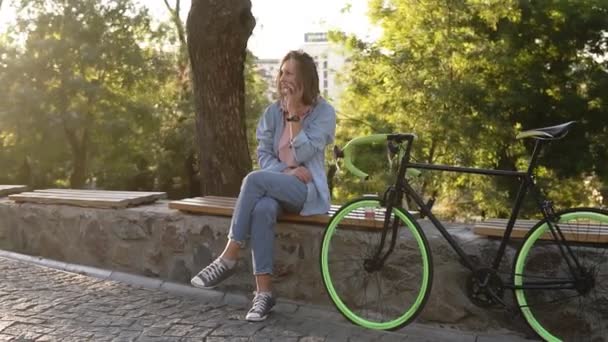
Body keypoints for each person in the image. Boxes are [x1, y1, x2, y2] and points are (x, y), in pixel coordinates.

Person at [190, 50, 337, 322]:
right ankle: (264, 293)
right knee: (263, 210)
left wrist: (293, 114)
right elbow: (264, 156)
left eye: (289, 73)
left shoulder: (324, 112)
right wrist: (287, 171)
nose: (283, 78)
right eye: (281, 72)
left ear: (304, 78)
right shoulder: (271, 113)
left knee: (253, 179)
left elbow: (305, 153)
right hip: (279, 185)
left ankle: (229, 255)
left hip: (306, 192)